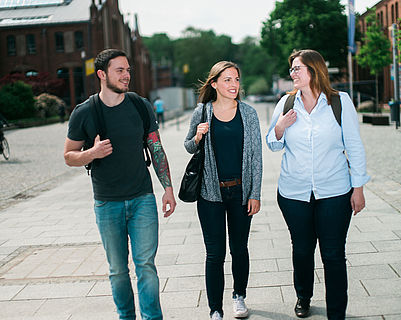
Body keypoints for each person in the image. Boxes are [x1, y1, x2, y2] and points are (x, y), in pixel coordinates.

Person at [64, 49, 176, 320]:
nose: (127, 75)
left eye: (128, 70)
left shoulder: (140, 105)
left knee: (146, 266)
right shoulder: (84, 112)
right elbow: (69, 156)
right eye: (120, 70)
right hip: (107, 203)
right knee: (117, 269)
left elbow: (156, 147)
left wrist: (168, 189)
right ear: (102, 74)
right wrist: (91, 153)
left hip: (142, 199)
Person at [266, 49, 370, 319]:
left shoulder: (340, 102)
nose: (293, 74)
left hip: (335, 191)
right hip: (293, 192)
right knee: (301, 249)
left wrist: (358, 188)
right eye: (291, 69)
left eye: (297, 68)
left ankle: (337, 311)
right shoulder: (286, 103)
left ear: (314, 70)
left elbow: (354, 147)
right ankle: (303, 296)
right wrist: (280, 126)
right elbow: (272, 143)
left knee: (333, 253)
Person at [184, 61, 262, 320]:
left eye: (236, 79)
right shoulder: (202, 112)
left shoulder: (248, 114)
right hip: (210, 195)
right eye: (227, 80)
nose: (233, 85)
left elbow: (256, 158)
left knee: (239, 249)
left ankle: (239, 296)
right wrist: (197, 137)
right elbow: (188, 146)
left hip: (241, 193)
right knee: (214, 253)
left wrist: (255, 193)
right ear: (214, 83)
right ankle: (215, 309)